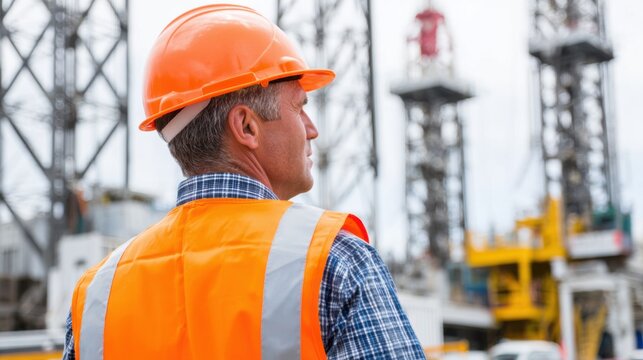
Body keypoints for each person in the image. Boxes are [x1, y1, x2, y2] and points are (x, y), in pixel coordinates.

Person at [63, 4, 425, 359]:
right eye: (299, 108)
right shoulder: (332, 261)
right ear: (247, 127)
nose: (312, 129)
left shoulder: (98, 294)